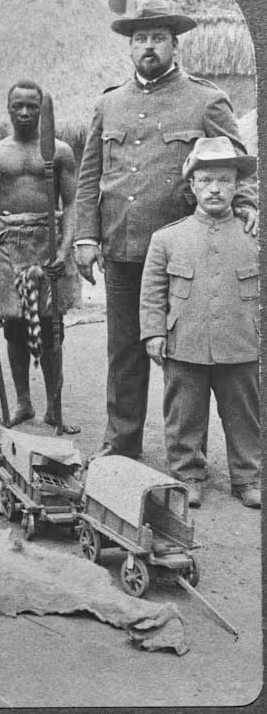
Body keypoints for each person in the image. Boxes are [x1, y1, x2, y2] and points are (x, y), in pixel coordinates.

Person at [73, 0, 257, 460]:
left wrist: (248, 206)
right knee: (124, 353)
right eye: (140, 39)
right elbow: (90, 175)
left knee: (187, 357)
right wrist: (86, 236)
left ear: (174, 44)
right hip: (121, 245)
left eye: (157, 38)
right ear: (130, 48)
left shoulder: (205, 99)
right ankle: (121, 444)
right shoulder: (108, 103)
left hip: (186, 256)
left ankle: (190, 457)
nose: (148, 47)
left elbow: (238, 166)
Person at [140, 137, 260, 508]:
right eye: (206, 180)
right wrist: (153, 334)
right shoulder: (167, 238)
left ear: (237, 185)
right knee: (183, 414)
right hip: (185, 341)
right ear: (192, 185)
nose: (214, 189)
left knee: (245, 414)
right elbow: (153, 292)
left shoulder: (255, 237)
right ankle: (188, 474)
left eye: (224, 180)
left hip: (241, 343)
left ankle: (247, 476)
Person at [0, 79, 79, 433]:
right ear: (8, 107)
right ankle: (23, 403)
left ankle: (54, 408)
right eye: (19, 105)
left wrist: (64, 248)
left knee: (51, 328)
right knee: (14, 327)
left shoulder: (60, 151)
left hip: (48, 242)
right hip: (9, 244)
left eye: (33, 105)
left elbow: (73, 204)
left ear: (41, 108)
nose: (26, 112)